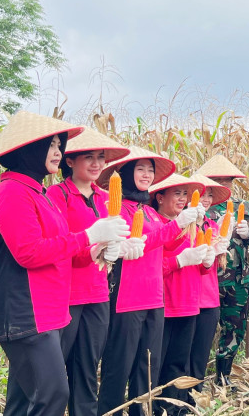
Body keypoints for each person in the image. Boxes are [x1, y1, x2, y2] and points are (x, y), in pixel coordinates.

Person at [0, 112, 129, 416]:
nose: (58, 152)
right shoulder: (12, 192)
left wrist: (97, 251)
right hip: (26, 313)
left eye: (59, 144)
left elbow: (61, 249)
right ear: (27, 150)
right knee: (52, 395)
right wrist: (88, 235)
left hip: (48, 311)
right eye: (51, 145)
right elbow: (28, 252)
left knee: (24, 401)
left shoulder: (38, 192)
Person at [97, 147, 200, 416]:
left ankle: (141, 412)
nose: (147, 174)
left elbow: (162, 245)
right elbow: (144, 243)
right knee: (118, 367)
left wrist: (186, 232)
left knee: (147, 368)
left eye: (150, 169)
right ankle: (110, 412)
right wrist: (177, 226)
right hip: (127, 299)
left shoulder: (149, 211)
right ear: (127, 174)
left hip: (155, 298)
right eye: (140, 168)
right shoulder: (119, 209)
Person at [48, 129, 136, 416]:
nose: (97, 164)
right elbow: (59, 246)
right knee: (55, 368)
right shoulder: (57, 195)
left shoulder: (106, 198)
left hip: (98, 294)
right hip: (67, 296)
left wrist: (119, 249)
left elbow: (114, 240)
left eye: (101, 158)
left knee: (87, 368)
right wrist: (92, 249)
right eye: (89, 157)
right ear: (70, 161)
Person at [151, 174, 215, 414]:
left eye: (184, 195)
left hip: (189, 302)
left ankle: (175, 407)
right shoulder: (155, 224)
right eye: (176, 194)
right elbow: (154, 266)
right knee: (159, 361)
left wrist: (207, 261)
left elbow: (199, 268)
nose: (182, 199)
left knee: (179, 362)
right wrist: (178, 261)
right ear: (159, 197)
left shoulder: (191, 226)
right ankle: (157, 407)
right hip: (165, 303)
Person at [196, 154, 249, 385]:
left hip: (238, 279)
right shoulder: (201, 207)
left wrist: (247, 234)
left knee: (235, 329)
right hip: (209, 280)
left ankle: (223, 375)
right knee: (202, 330)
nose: (224, 185)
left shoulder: (243, 206)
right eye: (217, 180)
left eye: (227, 180)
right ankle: (195, 377)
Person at [189, 174, 232, 391]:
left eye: (209, 196)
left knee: (201, 351)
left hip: (209, 297)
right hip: (187, 298)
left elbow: (219, 263)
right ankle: (178, 394)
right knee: (182, 352)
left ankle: (195, 392)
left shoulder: (213, 226)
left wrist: (221, 251)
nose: (205, 200)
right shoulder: (183, 224)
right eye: (201, 195)